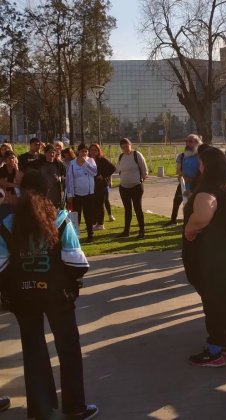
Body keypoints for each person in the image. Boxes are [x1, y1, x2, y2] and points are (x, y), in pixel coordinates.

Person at [0, 170, 98, 419]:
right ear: (48, 192)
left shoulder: (7, 224)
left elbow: (1, 266)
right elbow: (78, 262)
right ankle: (75, 407)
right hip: (57, 295)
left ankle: (40, 409)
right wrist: (71, 286)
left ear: (21, 192)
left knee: (33, 349)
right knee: (68, 348)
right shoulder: (61, 218)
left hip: (23, 297)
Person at [183, 147, 226, 367]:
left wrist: (189, 229)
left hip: (211, 257)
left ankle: (215, 350)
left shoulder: (208, 189)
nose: (199, 166)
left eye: (200, 162)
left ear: (207, 165)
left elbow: (202, 216)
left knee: (213, 301)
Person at [115, 138, 148, 239]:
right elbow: (118, 169)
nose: (125, 148)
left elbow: (144, 170)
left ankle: (142, 231)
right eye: (123, 147)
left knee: (138, 208)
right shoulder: (121, 156)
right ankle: (126, 231)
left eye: (127, 146)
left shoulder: (137, 155)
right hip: (124, 187)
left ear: (131, 145)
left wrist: (141, 180)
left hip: (136, 186)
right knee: (127, 209)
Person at [167, 134, 201, 225]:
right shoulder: (181, 156)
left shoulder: (200, 157)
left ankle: (193, 222)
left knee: (193, 205)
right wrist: (181, 176)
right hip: (183, 185)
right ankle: (173, 220)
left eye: (190, 141)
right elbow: (178, 170)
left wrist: (192, 180)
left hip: (195, 186)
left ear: (196, 143)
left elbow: (201, 171)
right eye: (186, 141)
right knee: (177, 201)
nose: (187, 143)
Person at [66, 144, 97, 242]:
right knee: (76, 216)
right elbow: (69, 179)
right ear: (78, 152)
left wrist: (85, 163)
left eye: (86, 151)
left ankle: (90, 235)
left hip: (88, 193)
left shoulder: (91, 161)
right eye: (82, 151)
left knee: (88, 215)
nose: (84, 153)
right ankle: (75, 236)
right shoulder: (72, 163)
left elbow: (94, 173)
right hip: (76, 194)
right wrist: (70, 194)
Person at [88, 143, 116, 230]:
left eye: (95, 150)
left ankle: (100, 224)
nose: (93, 151)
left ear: (98, 151)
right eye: (91, 150)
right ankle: (94, 223)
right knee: (93, 205)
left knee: (100, 205)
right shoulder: (88, 160)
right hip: (91, 185)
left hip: (101, 185)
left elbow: (113, 168)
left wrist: (103, 175)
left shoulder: (102, 159)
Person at [40, 144, 66, 209]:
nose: (51, 154)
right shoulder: (40, 164)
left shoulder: (59, 164)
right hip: (44, 194)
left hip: (56, 195)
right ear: (45, 153)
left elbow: (65, 177)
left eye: (53, 152)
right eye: (49, 152)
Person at [0, 150, 22, 219]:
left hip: (16, 201)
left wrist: (17, 169)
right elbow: (2, 182)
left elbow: (20, 182)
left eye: (13, 157)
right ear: (5, 160)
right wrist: (14, 185)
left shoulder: (19, 171)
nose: (12, 160)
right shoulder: (1, 170)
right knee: (5, 221)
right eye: (9, 158)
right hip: (4, 201)